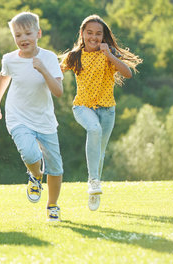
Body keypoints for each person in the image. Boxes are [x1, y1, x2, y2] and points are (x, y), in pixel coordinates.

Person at [60, 14, 141, 211]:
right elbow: (56, 72)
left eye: (98, 34)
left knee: (100, 152)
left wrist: (109, 55)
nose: (94, 37)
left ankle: (94, 189)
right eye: (89, 33)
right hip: (83, 107)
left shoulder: (109, 53)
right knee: (93, 130)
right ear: (82, 34)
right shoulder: (75, 56)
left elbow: (127, 73)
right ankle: (94, 181)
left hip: (108, 110)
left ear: (103, 36)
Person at [0, 12, 64, 222]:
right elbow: (4, 76)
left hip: (44, 120)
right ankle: (35, 176)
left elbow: (58, 91)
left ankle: (52, 205)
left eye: (28, 33)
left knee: (56, 167)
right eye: (17, 35)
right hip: (17, 117)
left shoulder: (49, 58)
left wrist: (43, 69)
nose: (23, 39)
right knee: (30, 154)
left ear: (38, 33)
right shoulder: (9, 59)